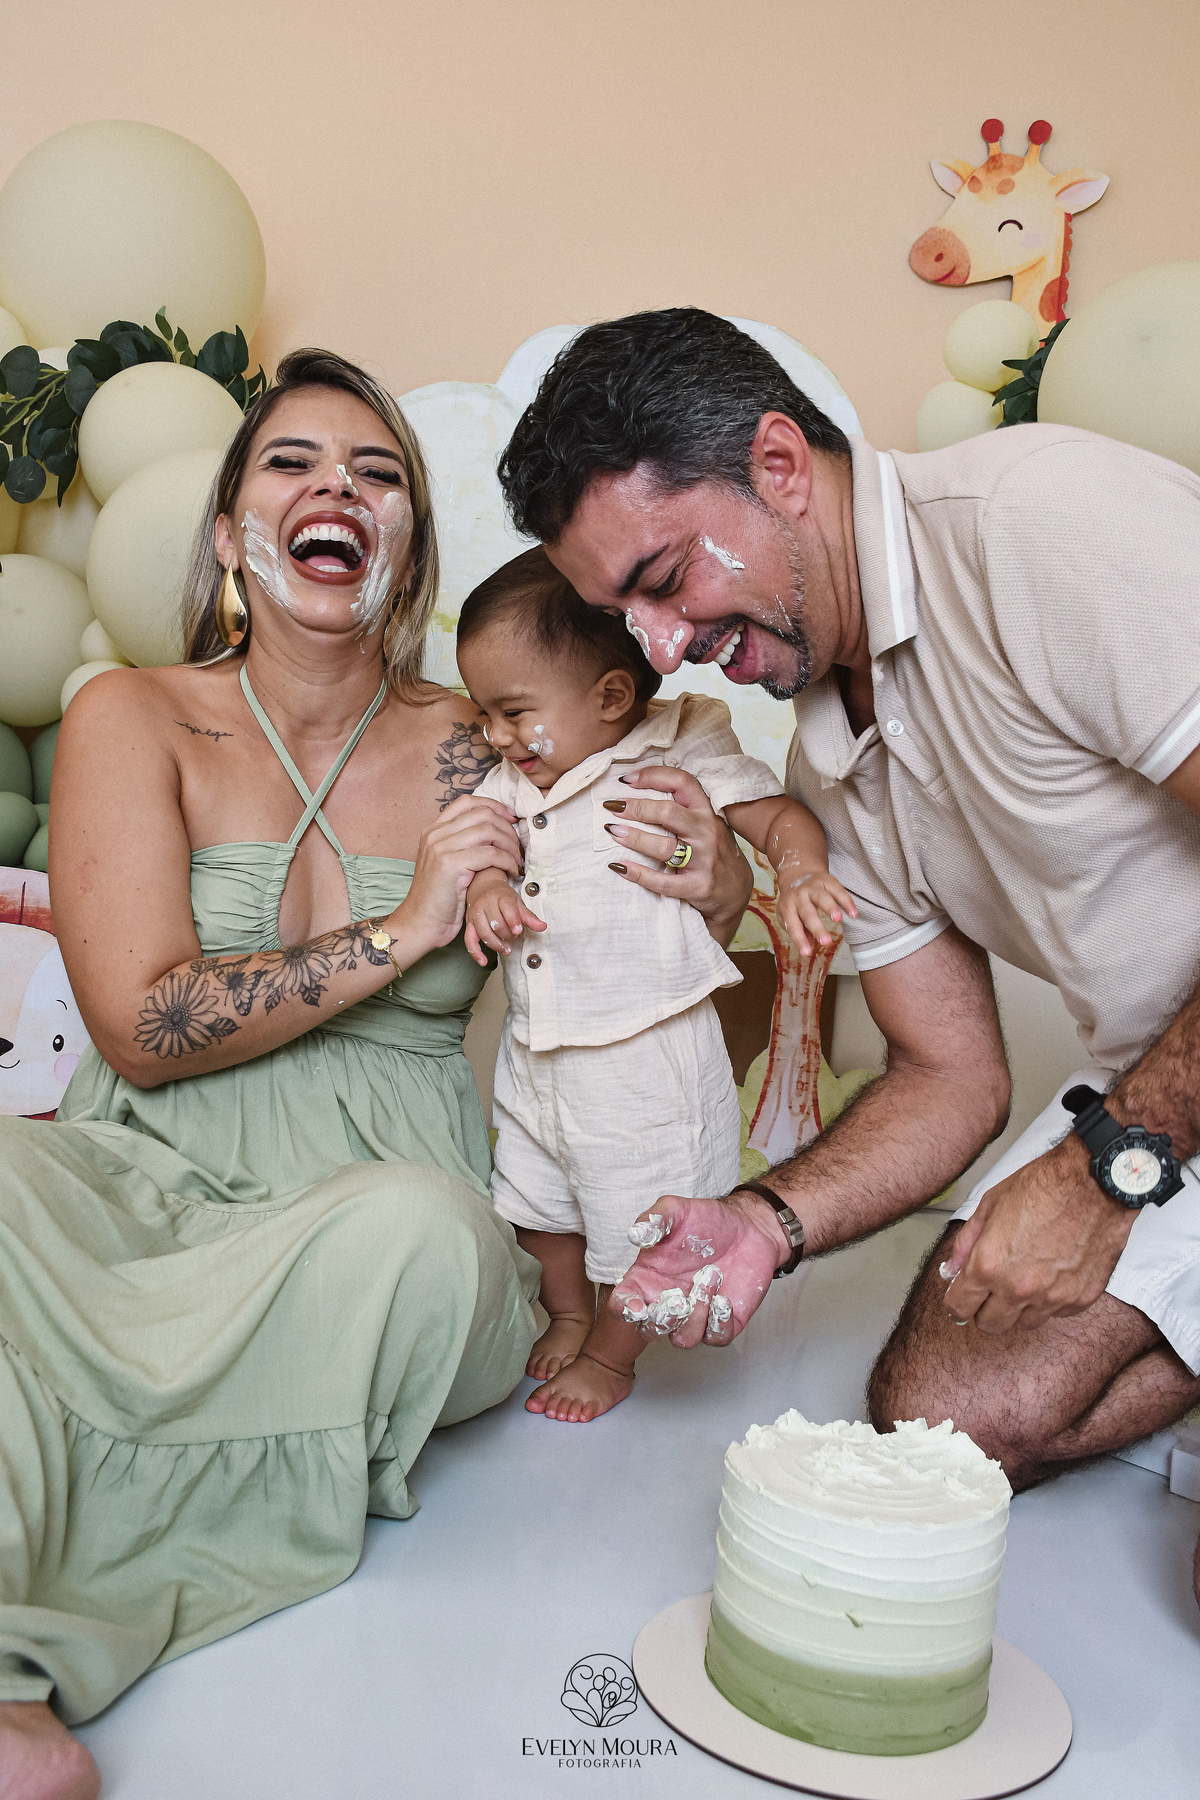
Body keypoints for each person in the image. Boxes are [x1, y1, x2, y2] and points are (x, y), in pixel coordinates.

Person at [495, 307, 1200, 1607]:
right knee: (942, 1419)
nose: (659, 651)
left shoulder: (1038, 522)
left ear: (778, 466)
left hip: (1158, 1115)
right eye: (620, 616)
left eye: (663, 580)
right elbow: (949, 1075)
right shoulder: (826, 758)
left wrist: (1110, 1171)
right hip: (1171, 1085)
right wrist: (765, 1224)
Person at [0, 349, 554, 1800]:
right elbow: (143, 1024)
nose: (336, 491)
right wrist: (407, 927)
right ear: (230, 527)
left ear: (410, 544)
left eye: (376, 474)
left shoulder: (489, 742)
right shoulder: (132, 715)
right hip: (142, 1184)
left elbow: (640, 902)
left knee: (428, 1238)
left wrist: (719, 868)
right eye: (293, 464)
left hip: (366, 1228)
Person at [454, 548, 855, 1423]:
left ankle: (612, 1353)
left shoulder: (680, 746)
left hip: (647, 1052)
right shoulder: (511, 780)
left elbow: (777, 817)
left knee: (642, 1218)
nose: (495, 736)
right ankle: (570, 1315)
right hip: (539, 1048)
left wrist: (797, 872)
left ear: (610, 696)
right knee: (536, 1203)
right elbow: (484, 852)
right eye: (483, 714)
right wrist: (486, 890)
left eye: (513, 713)